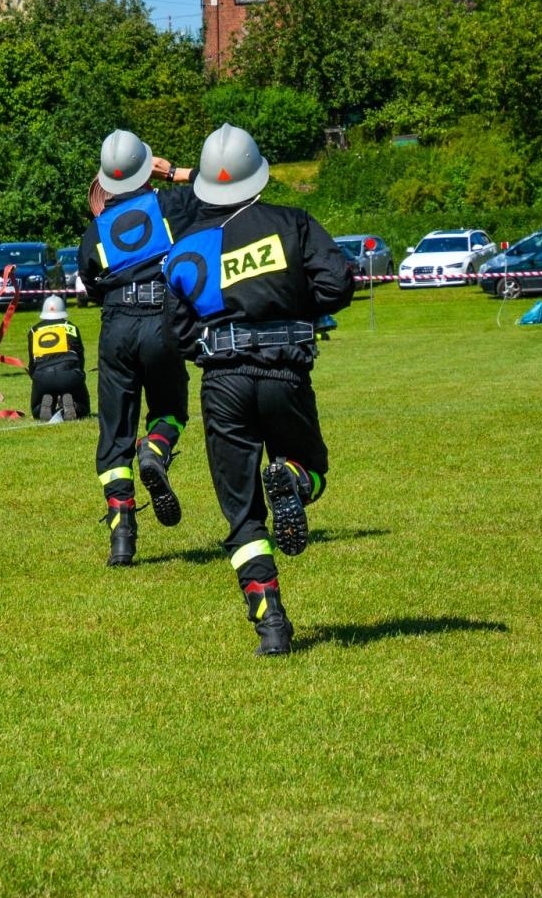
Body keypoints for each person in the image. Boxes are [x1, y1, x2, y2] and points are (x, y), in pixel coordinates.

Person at [163, 124, 355, 656]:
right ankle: (291, 476)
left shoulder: (183, 251)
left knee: (242, 514)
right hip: (285, 372)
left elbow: (177, 335)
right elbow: (337, 285)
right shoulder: (292, 223)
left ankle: (271, 623)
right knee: (311, 463)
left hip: (222, 384)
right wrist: (295, 305)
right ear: (257, 175)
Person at [79, 128, 201, 567]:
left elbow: (91, 284)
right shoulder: (170, 205)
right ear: (146, 169)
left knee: (114, 433)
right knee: (171, 409)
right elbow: (223, 184)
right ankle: (156, 449)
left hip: (115, 328)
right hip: (163, 321)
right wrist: (174, 172)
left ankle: (122, 536)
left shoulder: (94, 232)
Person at [26, 294, 90, 421]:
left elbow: (32, 362)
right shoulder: (70, 327)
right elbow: (79, 355)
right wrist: (80, 375)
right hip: (69, 373)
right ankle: (74, 405)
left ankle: (45, 406)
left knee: (36, 410)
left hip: (43, 375)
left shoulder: (34, 330)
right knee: (85, 408)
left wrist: (36, 379)